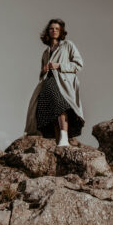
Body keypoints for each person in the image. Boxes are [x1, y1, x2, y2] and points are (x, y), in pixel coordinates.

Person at [24, 18, 85, 146]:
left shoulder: (68, 45)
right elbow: (42, 74)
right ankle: (60, 142)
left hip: (62, 83)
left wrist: (59, 65)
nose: (54, 31)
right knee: (51, 114)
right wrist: (43, 70)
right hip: (48, 83)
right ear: (48, 32)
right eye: (52, 29)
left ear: (61, 31)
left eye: (57, 29)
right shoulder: (45, 53)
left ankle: (64, 138)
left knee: (61, 106)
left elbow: (78, 65)